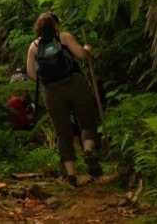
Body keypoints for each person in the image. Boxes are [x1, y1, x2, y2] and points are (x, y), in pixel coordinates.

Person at [26, 11, 103, 186]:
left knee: (63, 133)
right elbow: (81, 55)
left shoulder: (34, 47)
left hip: (51, 92)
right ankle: (89, 152)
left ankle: (71, 175)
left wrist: (48, 81)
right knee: (87, 123)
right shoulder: (64, 37)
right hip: (75, 84)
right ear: (55, 25)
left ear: (38, 27)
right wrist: (87, 49)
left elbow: (31, 73)